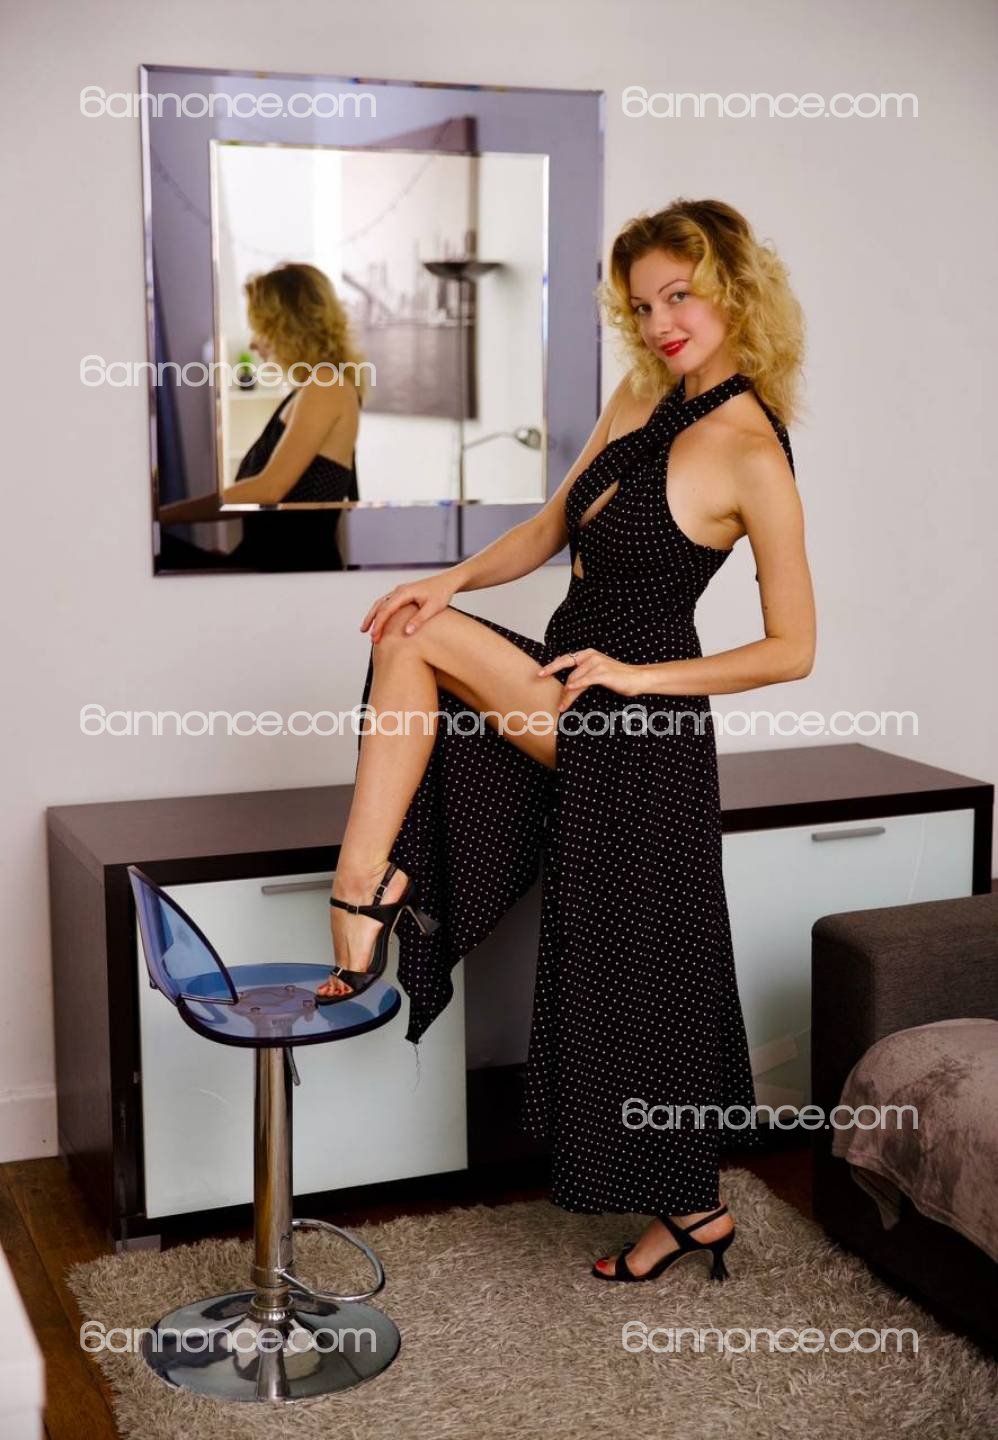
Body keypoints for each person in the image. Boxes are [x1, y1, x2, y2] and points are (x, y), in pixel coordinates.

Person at [318, 198, 815, 1283]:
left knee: (644, 974)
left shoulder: (751, 453)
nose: (660, 322)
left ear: (733, 291)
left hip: (643, 725)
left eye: (680, 296)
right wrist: (453, 576)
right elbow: (551, 527)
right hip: (573, 687)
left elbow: (793, 650)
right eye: (641, 305)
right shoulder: (641, 394)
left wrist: (637, 676)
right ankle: (694, 1210)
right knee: (416, 629)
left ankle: (362, 890)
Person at [222, 262, 364, 572]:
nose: (253, 343)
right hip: (275, 566)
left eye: (260, 328)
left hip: (294, 570)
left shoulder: (326, 385)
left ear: (287, 327)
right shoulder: (312, 388)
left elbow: (271, 488)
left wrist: (179, 510)